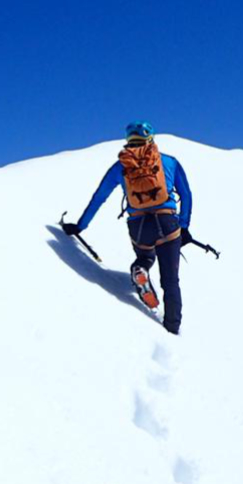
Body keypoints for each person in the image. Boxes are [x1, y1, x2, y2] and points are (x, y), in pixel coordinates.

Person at [63, 122, 193, 335]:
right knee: (170, 280)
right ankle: (172, 329)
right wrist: (184, 227)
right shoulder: (169, 162)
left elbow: (99, 197)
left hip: (138, 225)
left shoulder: (121, 166)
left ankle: (141, 267)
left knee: (145, 256)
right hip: (168, 223)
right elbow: (186, 195)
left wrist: (79, 226)